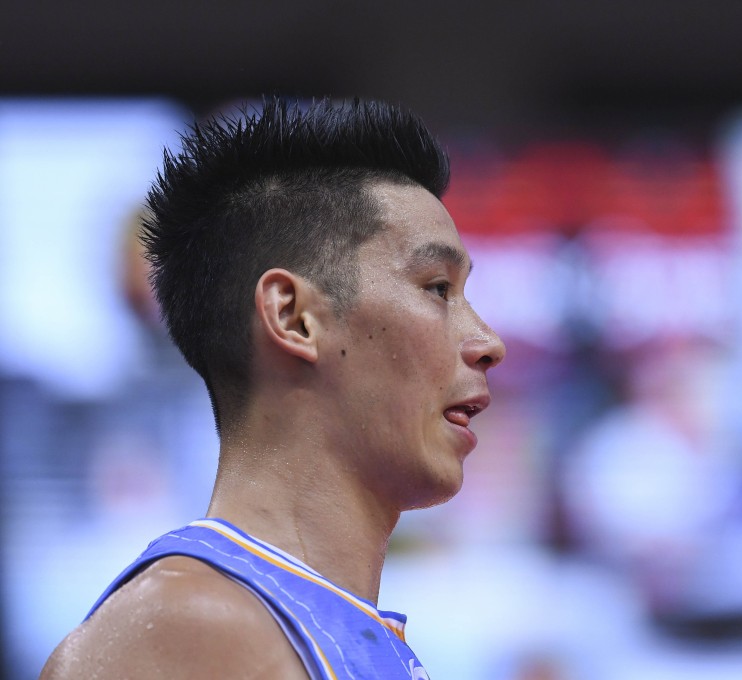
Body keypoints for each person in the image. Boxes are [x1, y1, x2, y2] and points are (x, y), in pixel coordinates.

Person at [39, 96, 505, 680]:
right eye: (438, 288)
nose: (489, 340)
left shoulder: (290, 623)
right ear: (293, 318)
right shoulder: (190, 631)